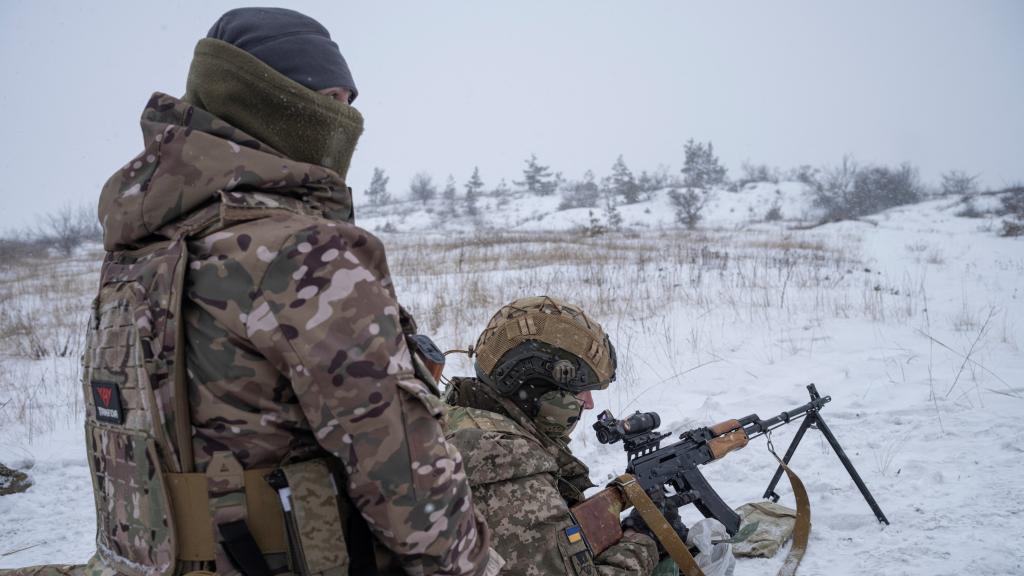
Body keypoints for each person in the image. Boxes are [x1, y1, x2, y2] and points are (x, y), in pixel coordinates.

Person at [5, 7, 498, 576]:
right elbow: (408, 484)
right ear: (265, 99)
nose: (342, 120)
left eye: (348, 102)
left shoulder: (146, 246)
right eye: (326, 100)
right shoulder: (304, 252)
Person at [443, 296, 661, 576]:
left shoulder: (456, 413)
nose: (590, 403)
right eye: (580, 390)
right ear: (537, 388)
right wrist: (642, 540)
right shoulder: (506, 460)